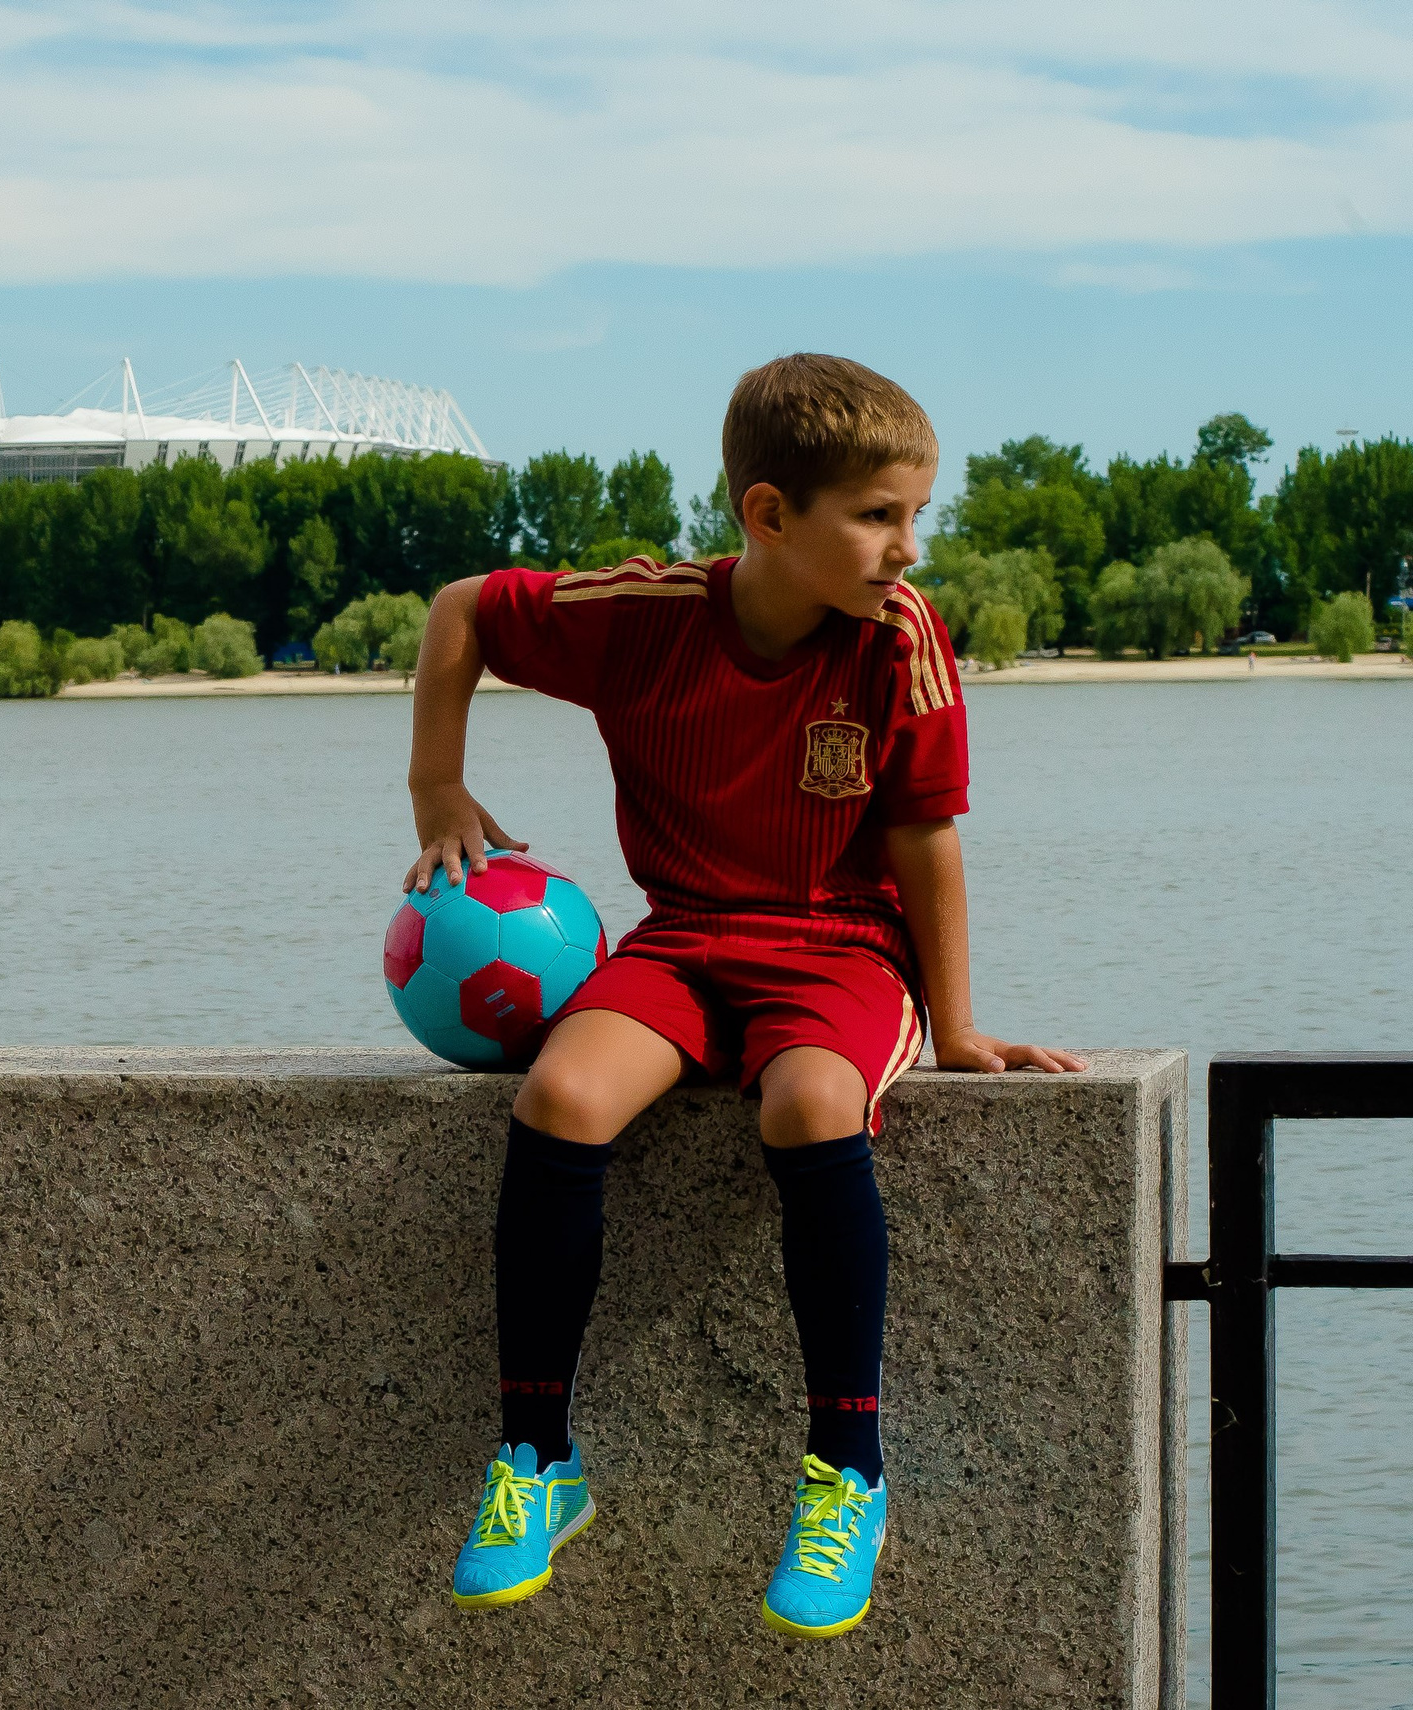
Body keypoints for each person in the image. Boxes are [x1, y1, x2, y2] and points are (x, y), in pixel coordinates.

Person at [401, 353, 1086, 1638]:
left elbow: (929, 836)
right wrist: (435, 786)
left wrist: (955, 1026)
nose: (907, 548)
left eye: (916, 515)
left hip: (840, 949)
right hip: (682, 940)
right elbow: (461, 611)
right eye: (879, 516)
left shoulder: (902, 641)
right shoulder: (644, 614)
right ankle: (537, 1461)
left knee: (811, 1105)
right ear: (768, 516)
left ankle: (846, 1476)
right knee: (559, 1094)